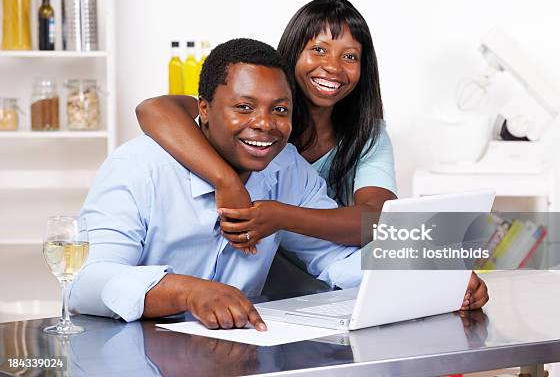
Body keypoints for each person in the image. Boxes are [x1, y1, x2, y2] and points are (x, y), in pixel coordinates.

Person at [136, 0, 489, 310]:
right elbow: (154, 109)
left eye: (349, 56)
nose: (332, 67)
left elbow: (378, 221)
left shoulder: (363, 138)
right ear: (292, 54)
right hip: (250, 269)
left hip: (323, 271)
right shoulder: (253, 120)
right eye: (318, 49)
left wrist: (436, 272)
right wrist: (226, 179)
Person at [70, 38, 363, 330]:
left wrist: (406, 264)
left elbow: (338, 259)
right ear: (205, 110)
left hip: (240, 358)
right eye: (244, 107)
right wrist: (188, 292)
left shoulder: (287, 167)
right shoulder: (139, 168)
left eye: (280, 110)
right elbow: (84, 284)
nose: (265, 123)